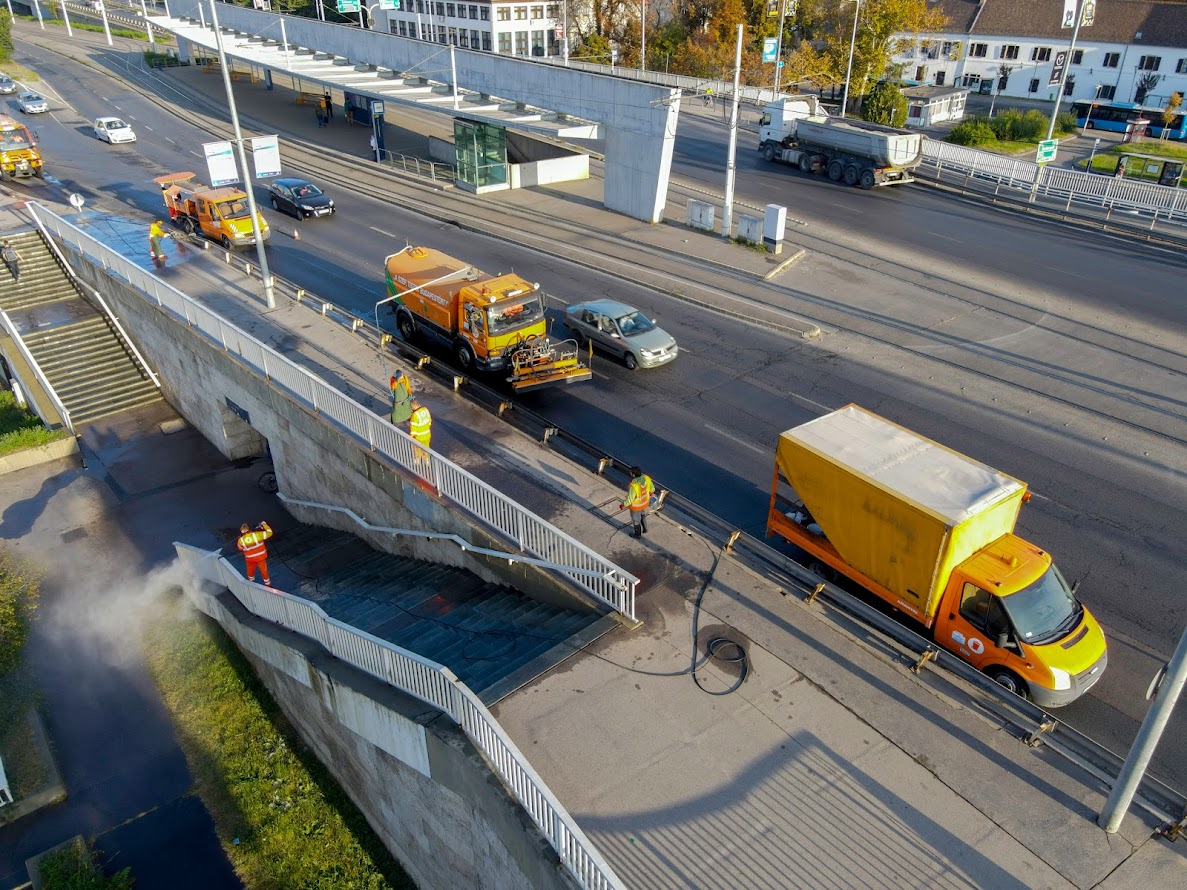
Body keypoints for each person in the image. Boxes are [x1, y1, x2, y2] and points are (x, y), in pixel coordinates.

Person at [236, 521, 274, 587]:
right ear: (249, 529)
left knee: (250, 570)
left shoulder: (240, 540)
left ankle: (251, 582)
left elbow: (240, 548)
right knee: (263, 570)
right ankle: (268, 584)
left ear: (241, 531)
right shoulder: (257, 535)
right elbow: (270, 532)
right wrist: (264, 524)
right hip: (260, 557)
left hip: (250, 559)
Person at [622, 467, 655, 538]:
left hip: (636, 506)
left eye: (630, 472)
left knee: (636, 520)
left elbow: (630, 499)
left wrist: (623, 505)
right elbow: (652, 488)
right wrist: (650, 492)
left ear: (633, 475)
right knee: (642, 514)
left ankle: (637, 534)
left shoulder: (634, 486)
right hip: (644, 502)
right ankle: (645, 529)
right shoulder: (646, 478)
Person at [408, 397, 432, 472]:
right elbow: (430, 422)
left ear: (414, 406)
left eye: (411, 407)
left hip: (418, 437)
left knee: (416, 449)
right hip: (427, 435)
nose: (411, 408)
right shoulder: (425, 410)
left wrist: (410, 437)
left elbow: (413, 429)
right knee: (426, 448)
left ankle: (417, 462)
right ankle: (426, 461)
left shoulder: (415, 415)